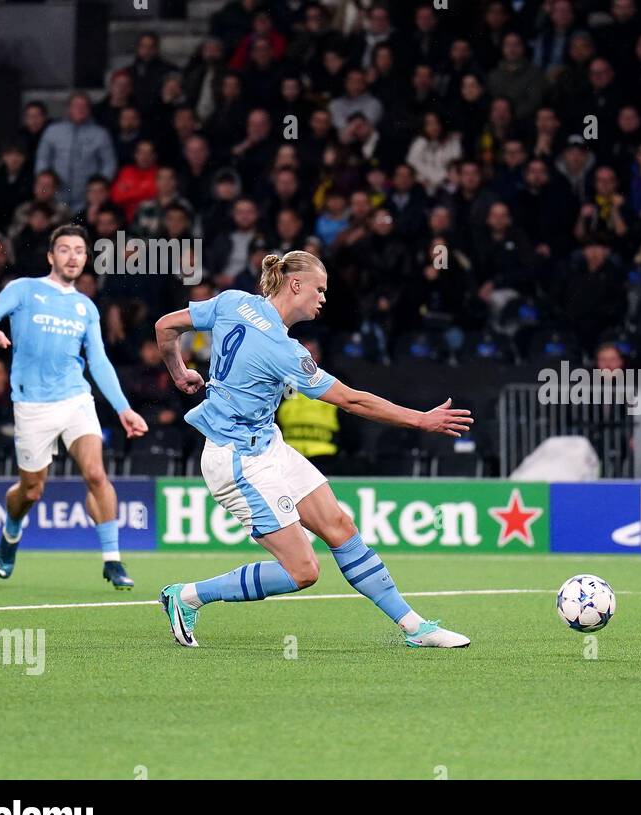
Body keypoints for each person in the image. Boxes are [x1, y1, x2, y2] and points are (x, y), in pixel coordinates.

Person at [152, 250, 473, 649]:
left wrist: (179, 371)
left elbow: (165, 326)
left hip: (269, 444)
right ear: (296, 284)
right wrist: (420, 419)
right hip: (237, 461)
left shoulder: (233, 301)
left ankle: (415, 628)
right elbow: (352, 401)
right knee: (303, 571)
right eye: (320, 289)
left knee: (340, 527)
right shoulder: (284, 351)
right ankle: (186, 596)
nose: (323, 297)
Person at [0, 225, 149, 587]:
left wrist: (123, 408)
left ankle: (112, 560)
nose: (72, 256)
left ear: (85, 259)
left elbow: (98, 362)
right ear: (51, 256)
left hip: (75, 399)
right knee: (31, 491)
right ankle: (12, 530)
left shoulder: (86, 307)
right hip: (32, 406)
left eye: (79, 251)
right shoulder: (24, 289)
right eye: (64, 249)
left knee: (96, 474)